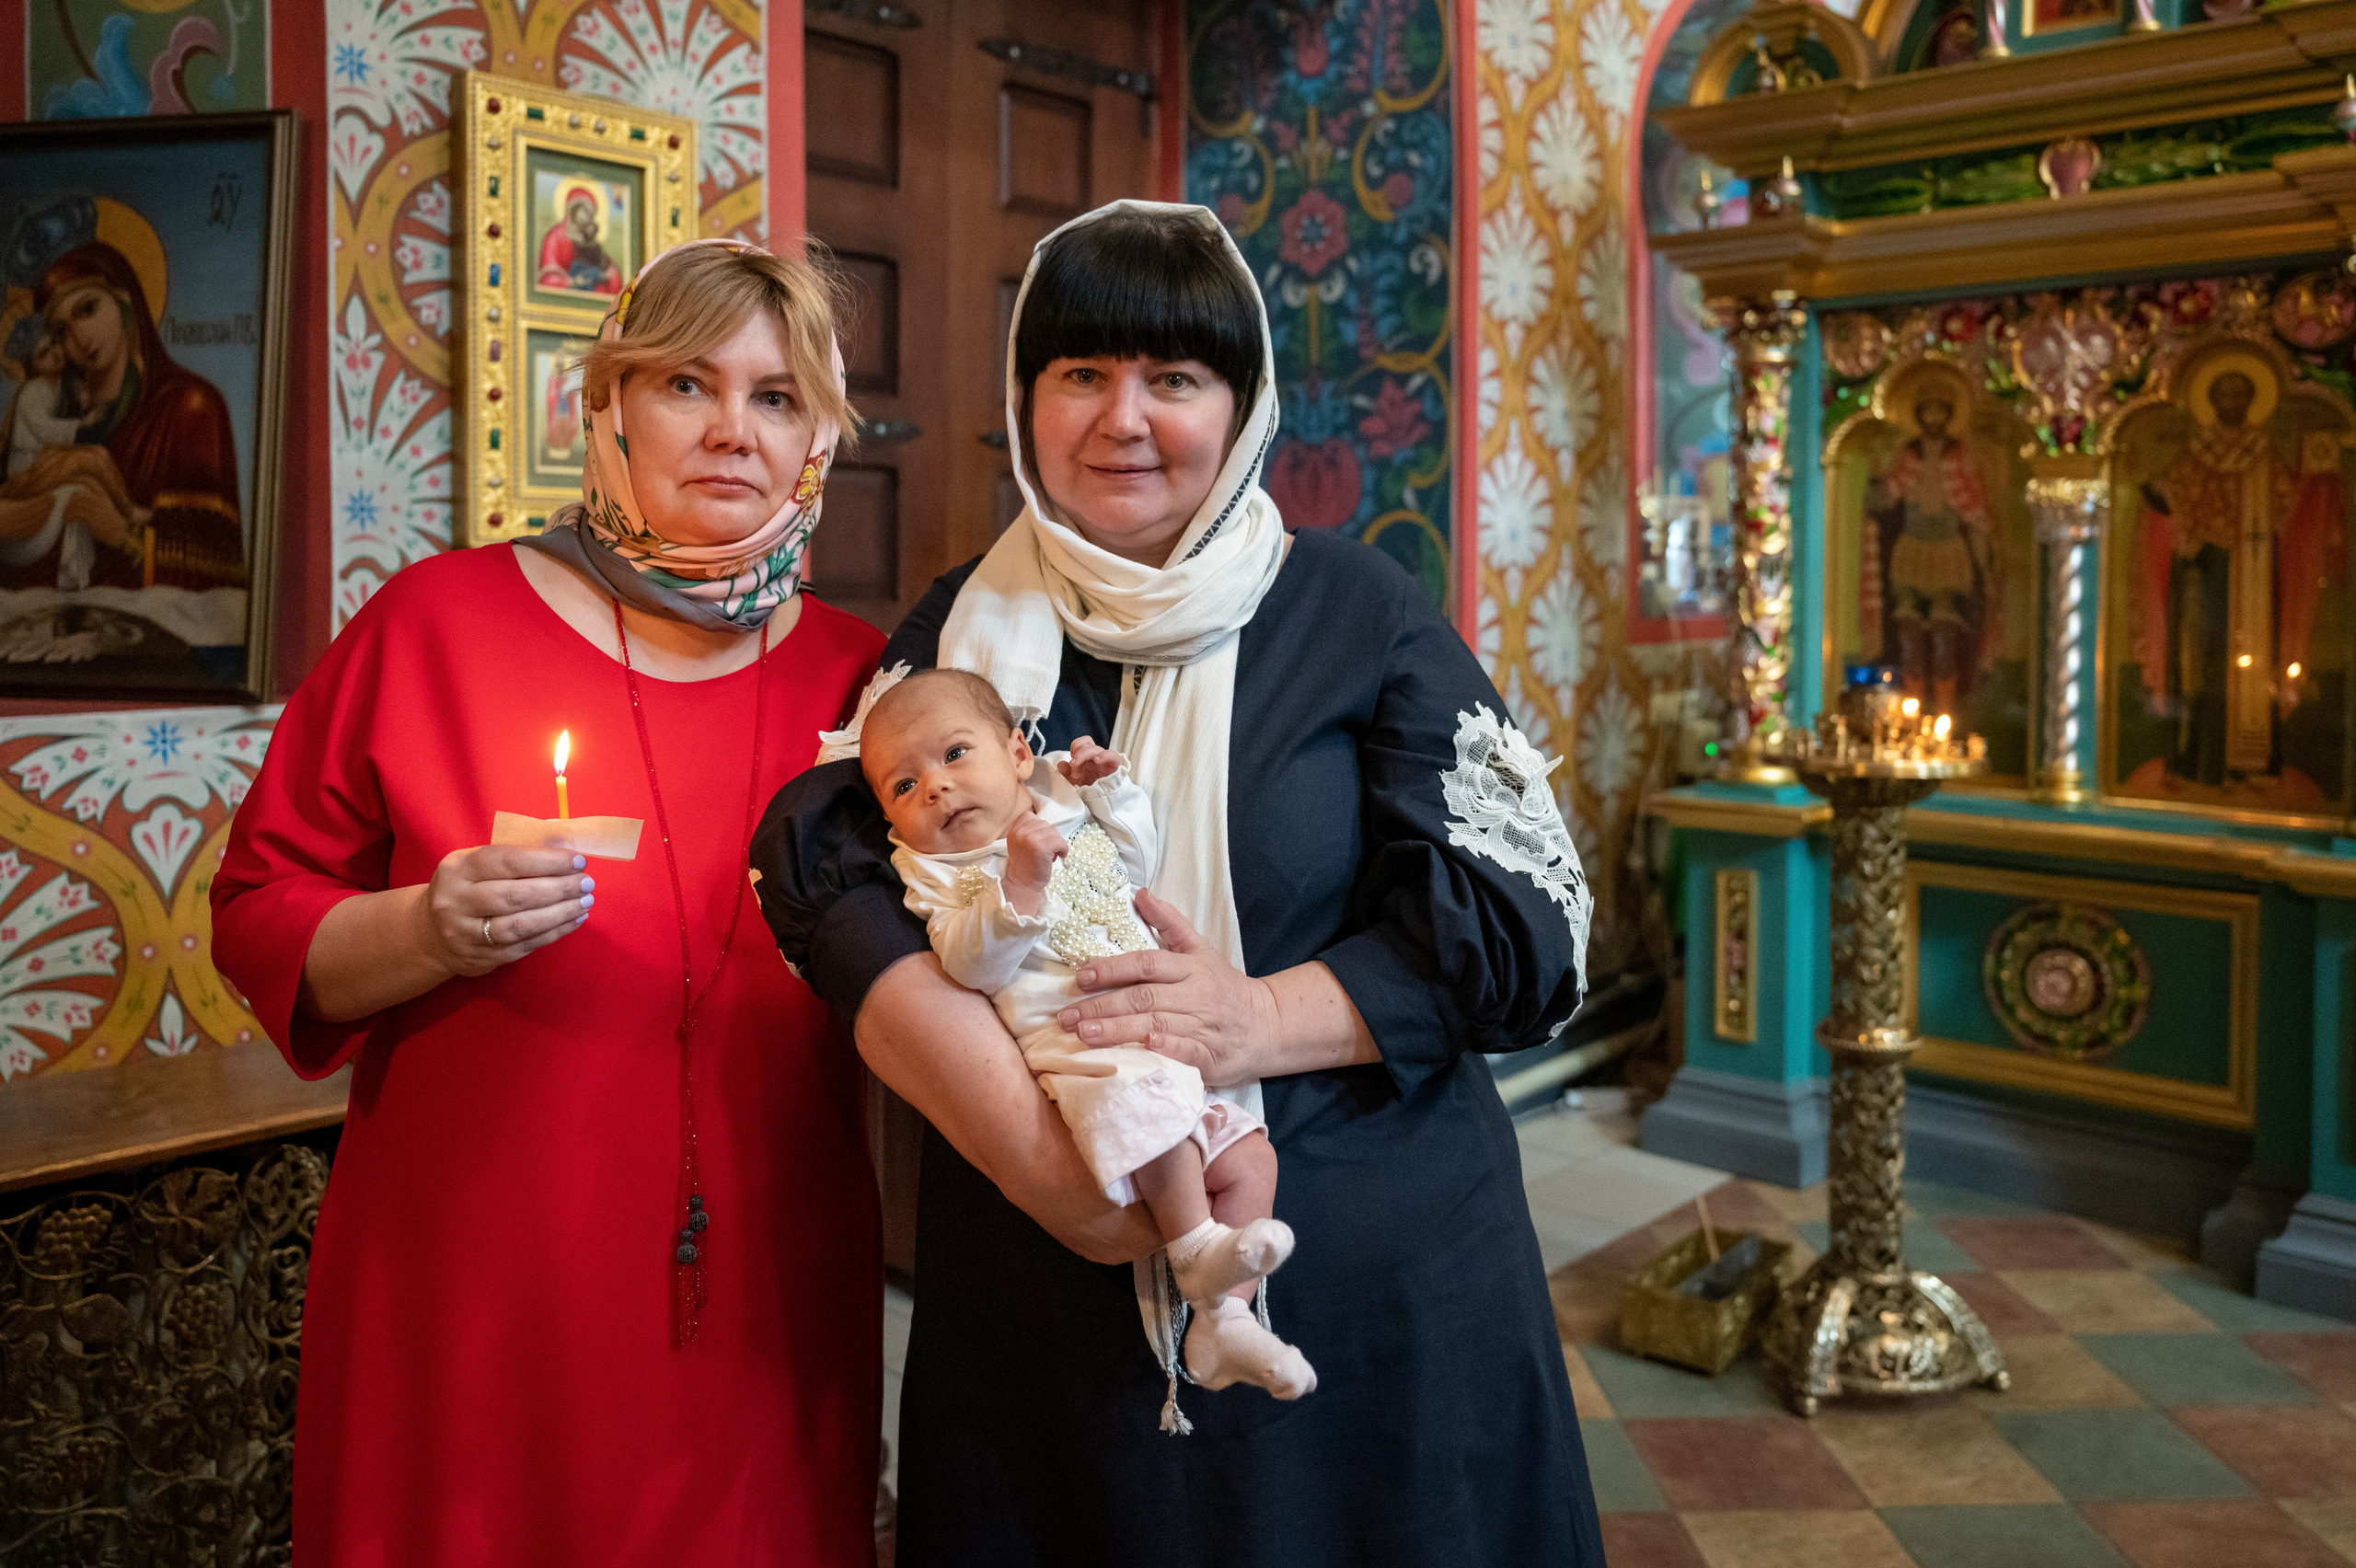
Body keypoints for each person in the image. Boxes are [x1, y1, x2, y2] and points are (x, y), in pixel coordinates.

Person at [751, 200, 1606, 1564]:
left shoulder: (1358, 611)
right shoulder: (960, 631)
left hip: (1366, 1282)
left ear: (1245, 400)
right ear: (1026, 396)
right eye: (1080, 373)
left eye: (1175, 378)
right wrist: (1041, 1164)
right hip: (1042, 1298)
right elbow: (822, 864)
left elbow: (1525, 922)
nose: (1122, 420)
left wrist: (1254, 1021)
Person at [212, 237, 886, 1563]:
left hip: (762, 1287)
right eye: (688, 384)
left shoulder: (870, 688)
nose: (732, 432)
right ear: (609, 405)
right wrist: (421, 929)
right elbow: (255, 909)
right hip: (473, 1284)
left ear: (819, 435)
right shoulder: (433, 626)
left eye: (776, 396)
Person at [853, 666, 1314, 1410]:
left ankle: (1224, 1320)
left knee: (1251, 1156)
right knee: (1157, 1114)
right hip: (1086, 1054)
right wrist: (1021, 888)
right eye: (902, 787)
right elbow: (969, 965)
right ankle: (1198, 1254)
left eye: (954, 755)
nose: (933, 787)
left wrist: (1107, 792)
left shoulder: (1067, 819)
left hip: (1156, 1040)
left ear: (1016, 755)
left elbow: (1132, 861)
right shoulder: (936, 873)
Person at [0, 241, 243, 590]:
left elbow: (221, 569)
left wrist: (123, 532)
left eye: (88, 309)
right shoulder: (58, 419)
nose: (80, 338)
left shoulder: (188, 407)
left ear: (125, 300)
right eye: (61, 332)